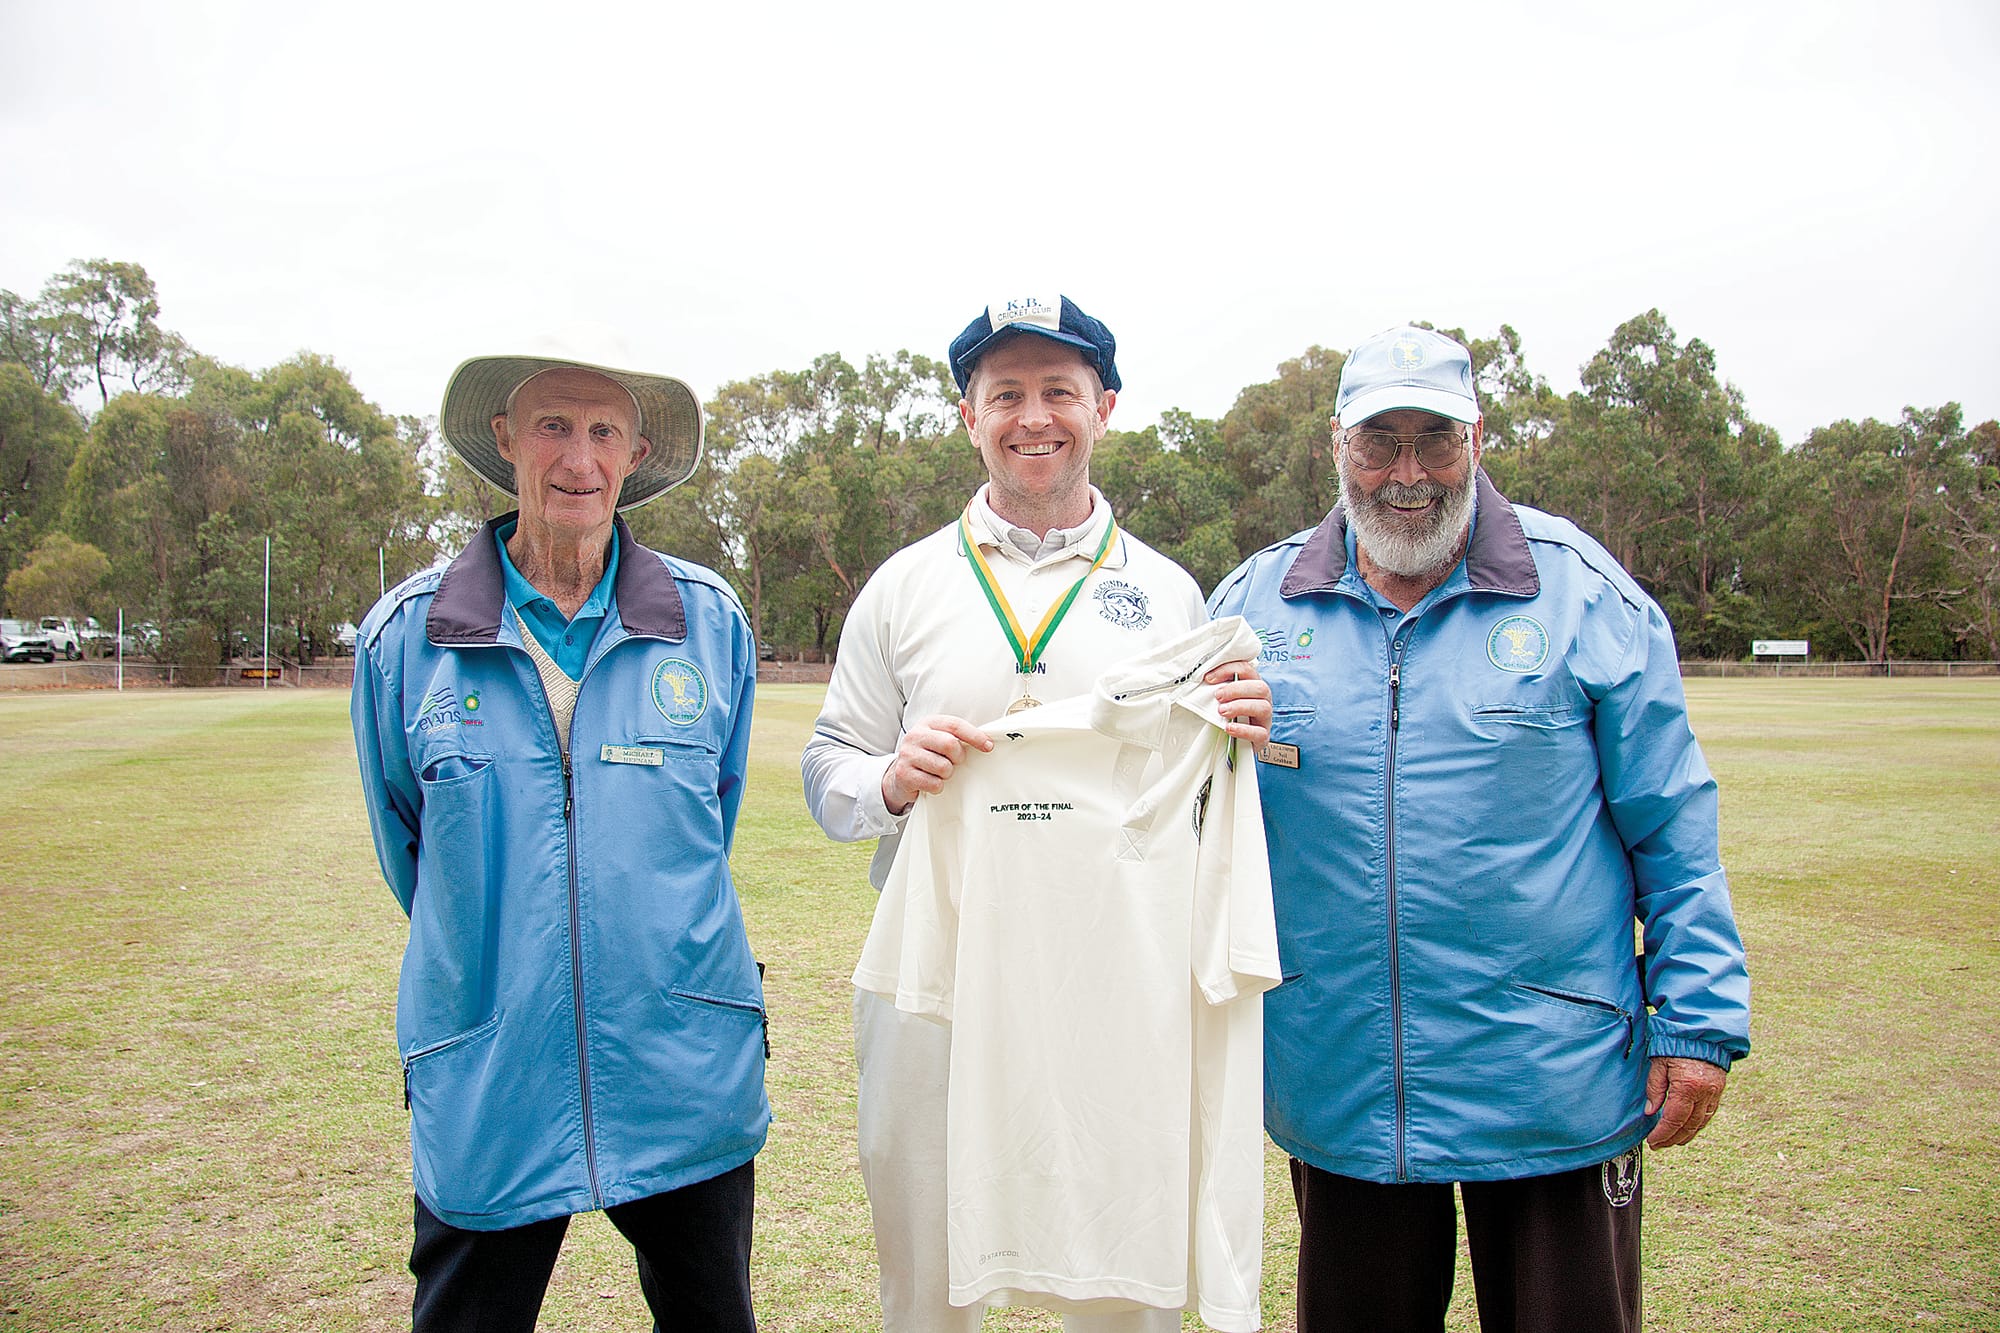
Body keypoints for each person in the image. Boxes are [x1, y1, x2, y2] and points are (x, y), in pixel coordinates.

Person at [1209, 325, 1752, 1332]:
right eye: (1379, 439)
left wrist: (1695, 1020)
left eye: (1435, 439)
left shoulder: (1583, 594)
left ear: (1477, 439)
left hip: (1550, 1078)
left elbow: (1671, 826)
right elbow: (1194, 823)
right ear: (1336, 444)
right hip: (1340, 1080)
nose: (1405, 472)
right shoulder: (1252, 603)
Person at [801, 294, 1273, 1333]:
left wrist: (1242, 731)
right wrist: (885, 778)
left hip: (1112, 972)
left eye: (1058, 391)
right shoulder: (902, 587)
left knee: (1116, 1246)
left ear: (1102, 405)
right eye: (1003, 392)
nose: (1032, 417)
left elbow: (1204, 800)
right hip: (937, 965)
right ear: (966, 414)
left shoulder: (1166, 594)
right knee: (925, 1262)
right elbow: (826, 763)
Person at [351, 355, 767, 1332]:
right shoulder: (405, 637)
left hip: (679, 1061)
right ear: (503, 438)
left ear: (635, 452)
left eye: (600, 432)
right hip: (492, 1063)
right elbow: (407, 847)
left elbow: (711, 818)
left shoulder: (708, 623)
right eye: (550, 427)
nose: (576, 458)